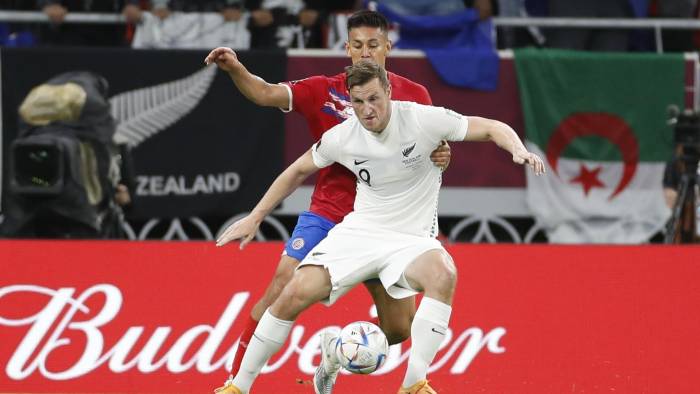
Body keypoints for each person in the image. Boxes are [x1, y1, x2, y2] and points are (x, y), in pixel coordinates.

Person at [214, 61, 545, 394]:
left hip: (410, 240)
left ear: (388, 91)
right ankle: (238, 387)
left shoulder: (422, 119)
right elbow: (297, 171)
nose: (367, 110)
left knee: (435, 283)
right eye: (358, 102)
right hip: (360, 233)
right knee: (293, 292)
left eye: (374, 99)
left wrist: (517, 148)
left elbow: (490, 126)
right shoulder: (343, 136)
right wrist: (256, 215)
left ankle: (413, 383)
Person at [204, 9, 450, 392]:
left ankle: (336, 352)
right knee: (283, 286)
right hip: (330, 214)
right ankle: (235, 383)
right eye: (357, 45)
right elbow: (266, 93)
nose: (365, 53)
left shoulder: (416, 96)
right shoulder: (324, 89)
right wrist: (236, 68)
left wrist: (443, 155)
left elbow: (433, 150)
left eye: (373, 45)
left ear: (388, 46)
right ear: (346, 47)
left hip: (387, 226)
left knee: (399, 331)